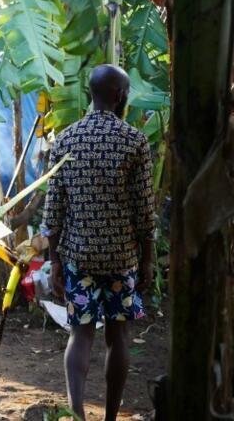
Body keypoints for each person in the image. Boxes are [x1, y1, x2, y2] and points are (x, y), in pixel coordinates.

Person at [42, 64, 155, 421]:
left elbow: (53, 211)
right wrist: (148, 258)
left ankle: (76, 414)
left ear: (92, 94)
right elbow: (144, 210)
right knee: (119, 336)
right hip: (121, 259)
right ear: (120, 96)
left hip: (79, 257)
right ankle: (109, 418)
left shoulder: (66, 140)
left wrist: (56, 261)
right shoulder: (134, 141)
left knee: (81, 335)